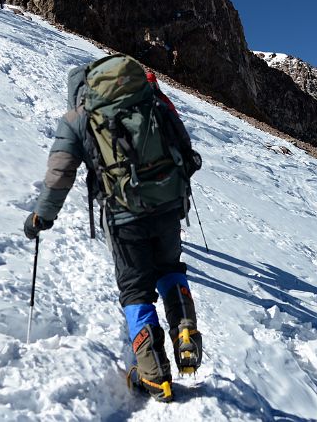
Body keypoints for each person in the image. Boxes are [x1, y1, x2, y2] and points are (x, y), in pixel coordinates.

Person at [22, 55, 204, 402]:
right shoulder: (146, 99)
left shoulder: (78, 119)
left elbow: (59, 175)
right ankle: (185, 330)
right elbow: (183, 144)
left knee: (136, 289)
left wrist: (41, 217)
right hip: (167, 204)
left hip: (124, 217)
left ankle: (155, 376)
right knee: (170, 269)